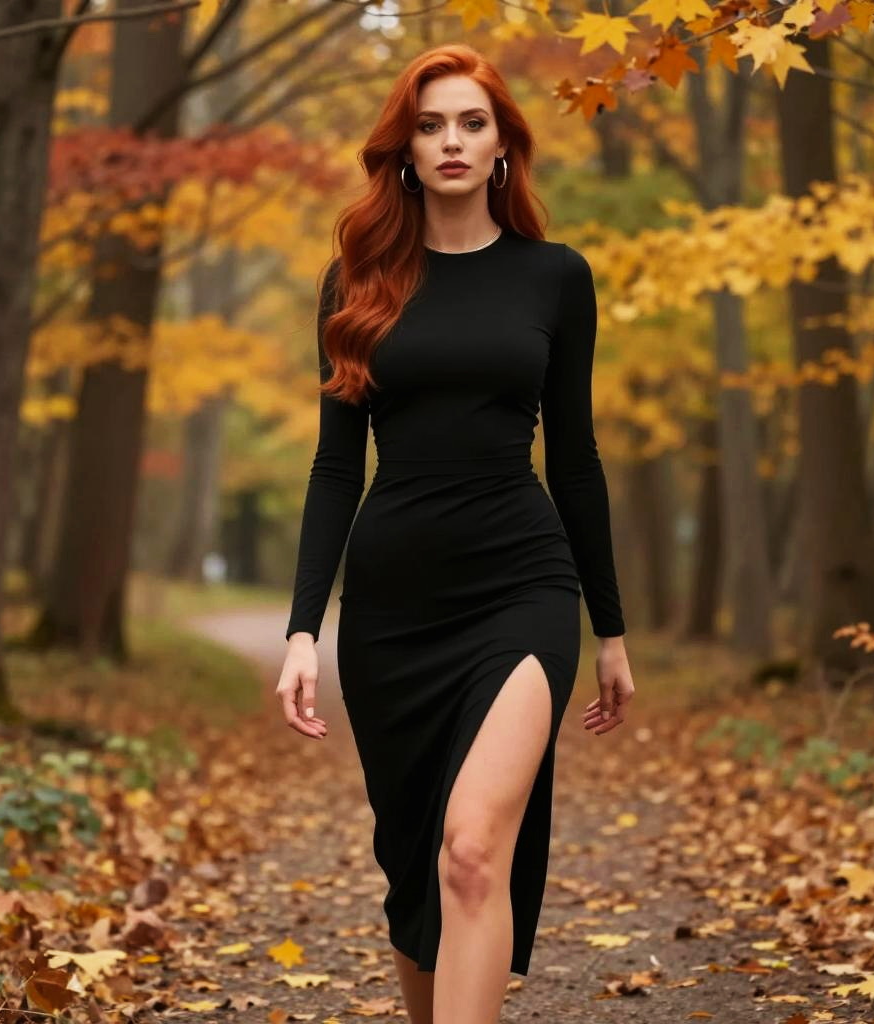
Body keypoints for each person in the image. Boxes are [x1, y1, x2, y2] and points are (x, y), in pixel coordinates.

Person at [275, 42, 636, 1024]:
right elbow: (335, 464)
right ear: (403, 147)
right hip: (392, 607)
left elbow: (575, 457)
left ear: (503, 145)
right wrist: (303, 629)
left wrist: (608, 627)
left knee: (473, 847)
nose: (450, 141)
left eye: (471, 122)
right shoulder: (355, 278)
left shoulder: (555, 278)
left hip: (520, 588)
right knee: (413, 873)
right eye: (430, 124)